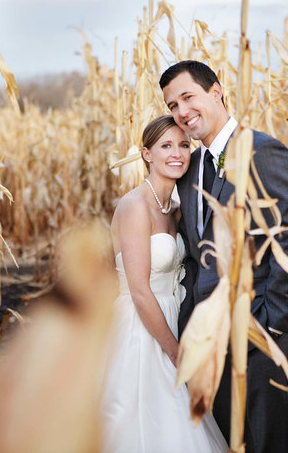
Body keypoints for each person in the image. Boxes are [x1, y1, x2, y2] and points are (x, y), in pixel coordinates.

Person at [160, 60, 288, 453]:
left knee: (269, 443)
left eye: (187, 97)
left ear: (216, 91)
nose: (181, 111)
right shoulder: (191, 170)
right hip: (209, 340)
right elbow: (196, 257)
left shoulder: (261, 151)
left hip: (258, 332)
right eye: (172, 105)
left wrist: (271, 323)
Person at [101, 115, 227, 453]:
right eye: (165, 146)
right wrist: (173, 350)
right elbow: (139, 290)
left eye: (184, 145)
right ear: (146, 154)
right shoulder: (134, 206)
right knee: (145, 420)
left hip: (173, 318)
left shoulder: (175, 209)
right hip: (141, 329)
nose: (177, 153)